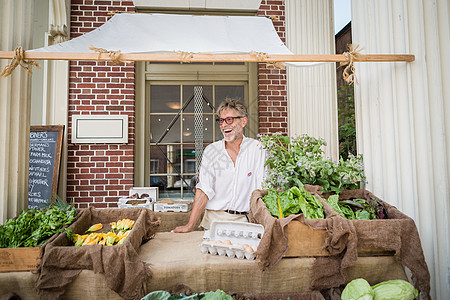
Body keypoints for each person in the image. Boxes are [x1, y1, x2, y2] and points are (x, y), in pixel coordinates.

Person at [173, 98, 266, 233]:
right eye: (221, 121)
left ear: (243, 121)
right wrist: (190, 225)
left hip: (247, 222)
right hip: (215, 221)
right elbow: (204, 189)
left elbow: (263, 189)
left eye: (229, 120)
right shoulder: (211, 151)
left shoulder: (258, 149)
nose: (224, 125)